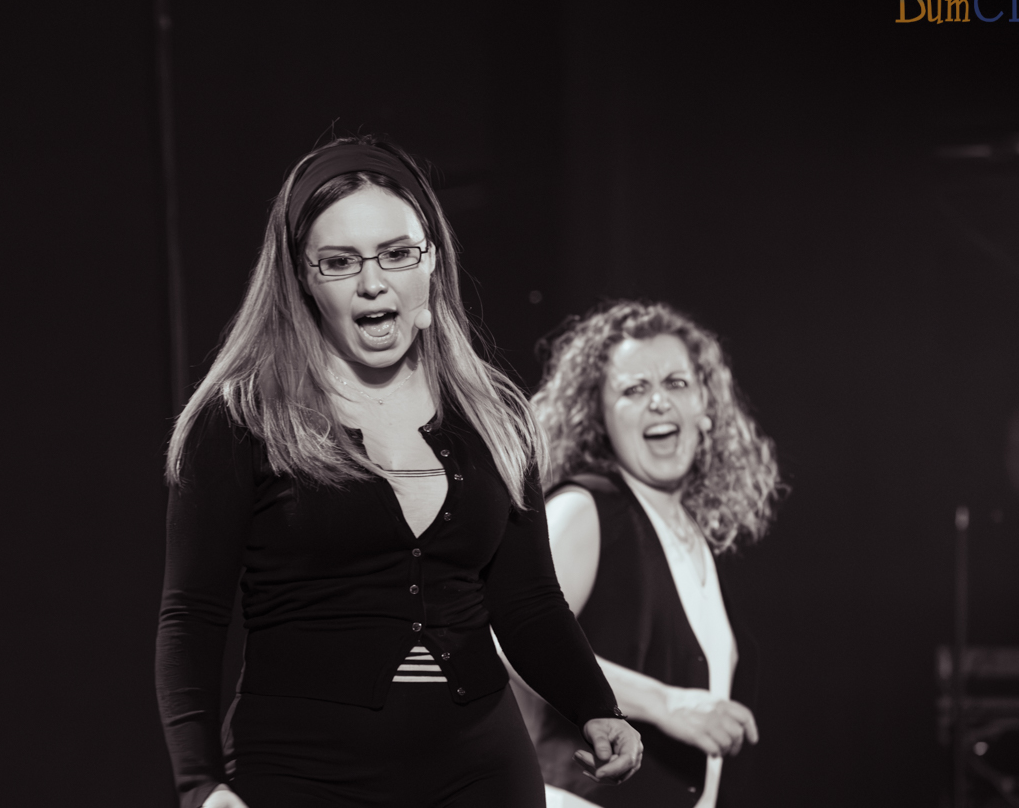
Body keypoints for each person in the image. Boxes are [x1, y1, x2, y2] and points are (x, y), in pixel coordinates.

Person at [154, 136, 643, 808]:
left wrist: (596, 705)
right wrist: (199, 784)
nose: (372, 282)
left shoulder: (494, 414)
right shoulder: (244, 417)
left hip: (481, 772)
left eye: (396, 252)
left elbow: (528, 599)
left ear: (432, 258)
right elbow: (192, 615)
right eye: (339, 261)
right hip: (302, 771)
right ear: (301, 277)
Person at [516, 300, 782, 808]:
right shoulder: (586, 508)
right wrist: (666, 704)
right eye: (634, 390)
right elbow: (515, 637)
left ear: (705, 406)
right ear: (599, 416)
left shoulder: (691, 536)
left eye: (676, 383)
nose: (658, 401)